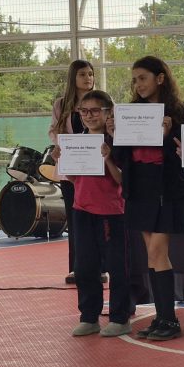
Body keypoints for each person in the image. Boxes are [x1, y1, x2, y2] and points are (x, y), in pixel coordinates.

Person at [115, 56, 184, 342]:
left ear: (160, 78)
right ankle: (163, 318)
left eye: (143, 78)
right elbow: (122, 158)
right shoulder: (130, 113)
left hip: (167, 190)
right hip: (140, 190)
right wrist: (115, 137)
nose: (137, 84)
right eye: (134, 79)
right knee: (152, 254)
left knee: (157, 252)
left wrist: (166, 135)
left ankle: (169, 320)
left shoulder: (180, 111)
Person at [59, 90, 133, 338]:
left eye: (94, 111)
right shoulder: (77, 141)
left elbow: (122, 179)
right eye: (83, 111)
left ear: (108, 112)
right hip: (82, 210)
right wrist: (62, 160)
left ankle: (120, 317)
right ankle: (89, 317)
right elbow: (72, 178)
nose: (88, 116)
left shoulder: (116, 141)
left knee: (116, 266)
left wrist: (108, 158)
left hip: (112, 212)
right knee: (85, 267)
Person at [49, 59, 95, 284]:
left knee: (96, 217)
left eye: (90, 74)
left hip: (96, 169)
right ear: (73, 78)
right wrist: (59, 145)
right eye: (83, 74)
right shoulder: (61, 104)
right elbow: (54, 131)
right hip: (70, 169)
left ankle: (100, 266)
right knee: (75, 218)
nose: (88, 78)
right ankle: (77, 267)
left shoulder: (102, 101)